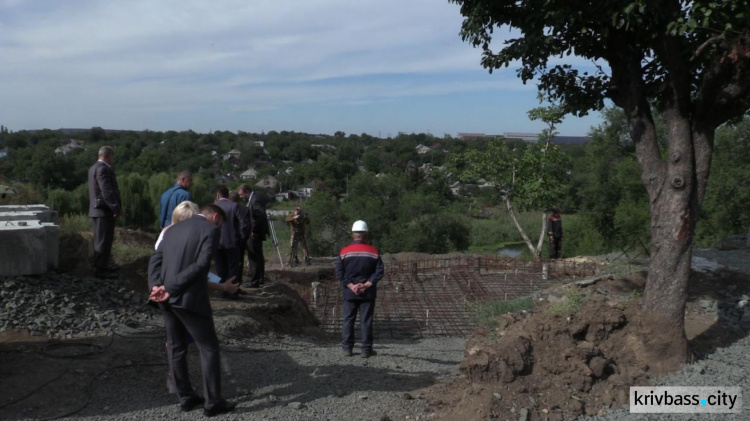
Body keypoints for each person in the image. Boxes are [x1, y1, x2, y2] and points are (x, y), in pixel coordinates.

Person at [148, 204, 237, 417]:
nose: (220, 227)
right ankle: (213, 401)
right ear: (215, 217)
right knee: (208, 347)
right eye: (221, 223)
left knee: (176, 347)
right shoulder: (210, 230)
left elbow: (155, 260)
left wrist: (155, 286)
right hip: (188, 299)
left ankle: (185, 397)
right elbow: (201, 265)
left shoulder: (172, 229)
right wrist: (170, 288)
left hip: (165, 300)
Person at [335, 220, 384, 359]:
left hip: (350, 293)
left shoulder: (344, 252)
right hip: (367, 293)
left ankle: (347, 349)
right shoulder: (374, 252)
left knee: (348, 320)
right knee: (366, 321)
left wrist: (351, 285)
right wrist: (367, 284)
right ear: (365, 234)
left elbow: (339, 272)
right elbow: (379, 271)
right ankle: (366, 350)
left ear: (353, 234)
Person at [87, 146, 122, 279]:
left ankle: (103, 265)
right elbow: (106, 190)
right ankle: (101, 270)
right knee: (103, 241)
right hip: (103, 210)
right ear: (108, 156)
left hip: (98, 210)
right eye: (112, 156)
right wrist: (115, 207)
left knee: (103, 240)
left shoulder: (93, 168)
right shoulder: (102, 169)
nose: (113, 159)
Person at [214, 187, 247, 298]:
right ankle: (232, 292)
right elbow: (243, 223)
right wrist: (240, 237)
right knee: (232, 268)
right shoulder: (234, 206)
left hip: (217, 242)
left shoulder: (213, 208)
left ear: (218, 196)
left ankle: (222, 290)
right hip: (232, 242)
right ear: (228, 195)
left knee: (220, 267)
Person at [238, 184, 268, 288]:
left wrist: (253, 230)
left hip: (255, 233)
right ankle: (259, 279)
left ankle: (255, 280)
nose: (241, 197)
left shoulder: (255, 200)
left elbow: (260, 216)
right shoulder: (255, 198)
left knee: (254, 256)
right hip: (256, 232)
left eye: (241, 194)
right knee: (257, 256)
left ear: (247, 191)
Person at [228, 190, 251, 288]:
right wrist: (243, 236)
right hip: (240, 239)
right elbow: (247, 224)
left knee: (228, 263)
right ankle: (238, 283)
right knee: (239, 262)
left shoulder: (226, 208)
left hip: (227, 238)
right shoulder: (245, 209)